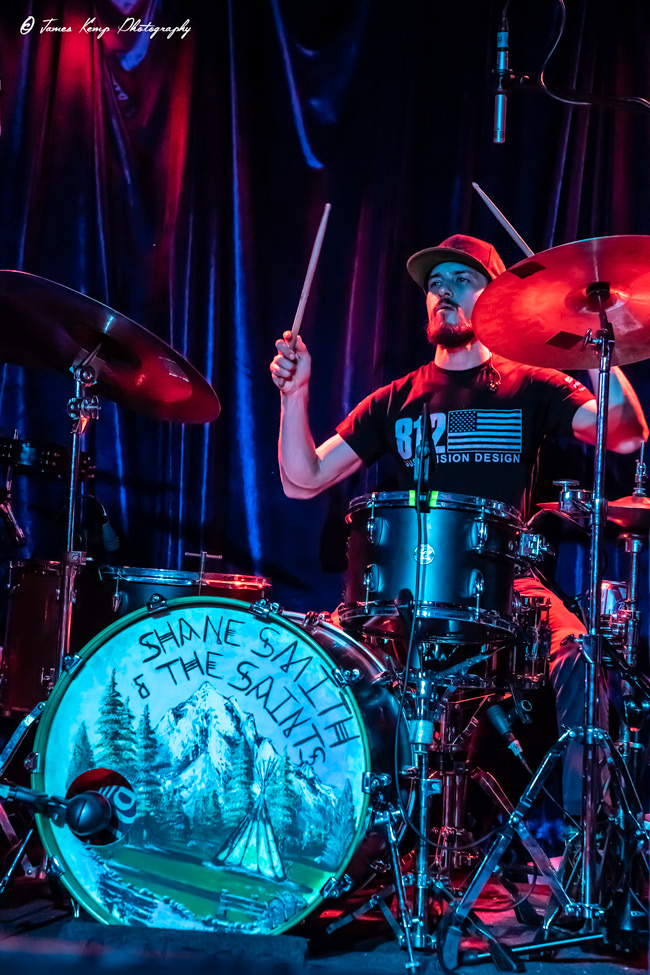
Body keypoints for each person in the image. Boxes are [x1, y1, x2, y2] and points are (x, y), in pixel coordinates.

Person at [269, 234, 648, 818]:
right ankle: (339, 830)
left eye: (461, 281)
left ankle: (583, 846)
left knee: (581, 655)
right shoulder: (397, 398)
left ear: (495, 298)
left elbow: (624, 433)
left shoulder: (531, 385)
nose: (443, 292)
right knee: (322, 662)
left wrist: (600, 348)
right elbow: (302, 477)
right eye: (435, 284)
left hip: (507, 586)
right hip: (404, 594)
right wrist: (295, 394)